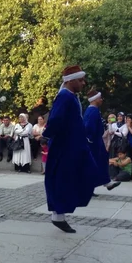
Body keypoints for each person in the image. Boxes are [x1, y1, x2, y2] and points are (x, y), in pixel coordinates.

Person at [43, 65, 98, 233]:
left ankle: (60, 213)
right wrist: (46, 136)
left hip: (74, 146)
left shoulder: (71, 97)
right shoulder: (65, 97)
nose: (83, 83)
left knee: (84, 175)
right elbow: (56, 119)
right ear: (71, 80)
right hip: (65, 147)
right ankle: (58, 216)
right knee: (62, 179)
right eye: (80, 80)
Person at [83, 88, 121, 193]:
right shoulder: (93, 111)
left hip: (95, 141)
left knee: (100, 161)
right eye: (100, 98)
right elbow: (88, 127)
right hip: (93, 142)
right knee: (96, 162)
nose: (101, 100)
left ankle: (101, 183)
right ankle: (94, 185)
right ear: (95, 99)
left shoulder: (92, 110)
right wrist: (90, 139)